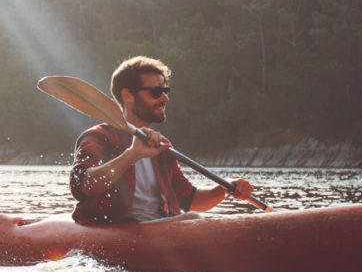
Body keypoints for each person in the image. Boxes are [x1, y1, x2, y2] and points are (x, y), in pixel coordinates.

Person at [69, 56, 253, 225]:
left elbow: (189, 199)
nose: (165, 98)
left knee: (192, 217)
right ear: (128, 96)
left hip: (157, 229)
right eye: (156, 92)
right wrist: (133, 154)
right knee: (193, 220)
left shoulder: (160, 146)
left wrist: (225, 189)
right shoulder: (98, 137)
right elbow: (84, 186)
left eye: (166, 90)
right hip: (113, 229)